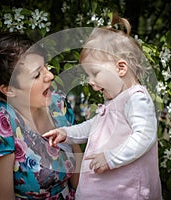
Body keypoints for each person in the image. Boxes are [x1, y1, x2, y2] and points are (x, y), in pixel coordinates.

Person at [43, 15, 162, 200]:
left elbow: (145, 136)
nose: (90, 81)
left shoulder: (136, 99)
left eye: (95, 73)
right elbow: (94, 126)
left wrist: (112, 157)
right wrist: (66, 133)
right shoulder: (115, 100)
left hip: (126, 192)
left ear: (121, 68)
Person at [0, 31, 82, 199]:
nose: (50, 76)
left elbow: (79, 177)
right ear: (9, 90)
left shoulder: (58, 104)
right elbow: (3, 196)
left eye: (46, 67)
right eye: (37, 74)